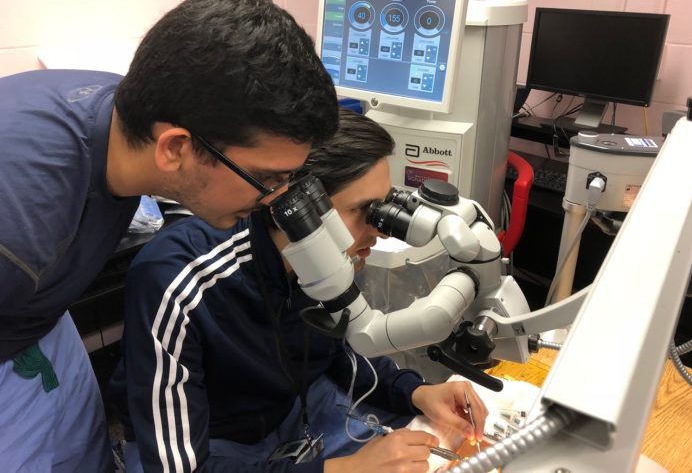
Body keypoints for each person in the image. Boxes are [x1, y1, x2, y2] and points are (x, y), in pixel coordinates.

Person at [0, 0, 337, 472]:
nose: (275, 199)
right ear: (176, 148)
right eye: (265, 179)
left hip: (37, 319)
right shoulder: (22, 217)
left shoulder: (126, 118)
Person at [110, 109, 489, 472]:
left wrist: (414, 392)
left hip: (295, 410)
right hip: (208, 444)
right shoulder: (177, 281)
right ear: (298, 208)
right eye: (365, 211)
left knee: (424, 443)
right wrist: (342, 470)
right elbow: (180, 468)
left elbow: (339, 350)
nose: (381, 230)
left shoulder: (325, 260)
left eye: (383, 208)